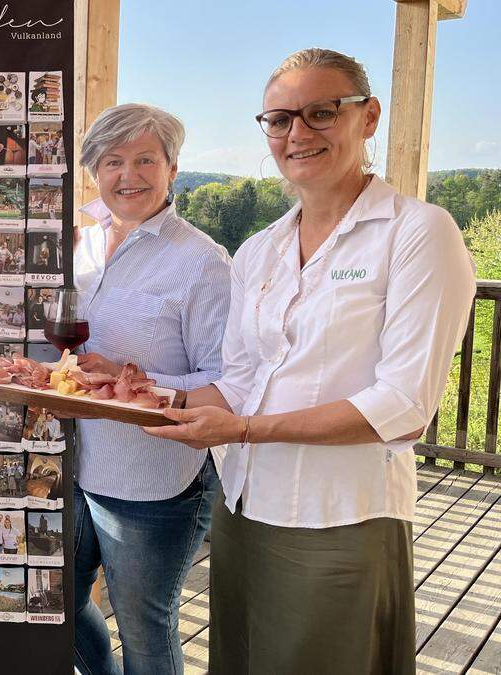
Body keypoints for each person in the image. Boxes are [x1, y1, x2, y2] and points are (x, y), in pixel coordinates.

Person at [145, 48, 477, 673]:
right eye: (279, 119)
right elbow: (242, 380)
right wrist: (139, 392)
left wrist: (243, 431)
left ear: (369, 116)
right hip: (243, 507)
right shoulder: (259, 250)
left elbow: (403, 408)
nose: (297, 133)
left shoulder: (417, 232)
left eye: (321, 112)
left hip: (342, 515)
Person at [71, 103, 231, 675]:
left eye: (145, 159)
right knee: (57, 603)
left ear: (172, 167)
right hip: (74, 464)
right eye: (112, 161)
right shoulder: (80, 247)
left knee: (143, 625)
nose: (128, 175)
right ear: (94, 171)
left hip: (153, 481)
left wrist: (130, 377)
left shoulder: (201, 261)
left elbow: (225, 386)